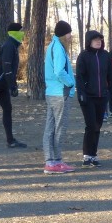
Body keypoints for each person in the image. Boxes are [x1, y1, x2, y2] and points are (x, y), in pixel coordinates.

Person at [75, 30, 112, 167]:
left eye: (100, 39)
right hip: (88, 97)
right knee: (91, 125)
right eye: (95, 39)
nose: (98, 41)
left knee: (98, 126)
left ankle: (93, 155)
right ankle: (87, 155)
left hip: (102, 96)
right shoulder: (84, 56)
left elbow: (111, 76)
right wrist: (81, 93)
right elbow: (79, 77)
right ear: (89, 41)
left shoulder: (106, 56)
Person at [42, 21, 77, 174]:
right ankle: (55, 161)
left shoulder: (53, 45)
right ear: (63, 34)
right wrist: (70, 82)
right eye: (69, 33)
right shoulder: (58, 48)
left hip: (52, 92)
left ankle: (51, 161)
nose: (70, 36)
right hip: (59, 93)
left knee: (51, 128)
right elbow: (59, 71)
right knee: (59, 128)